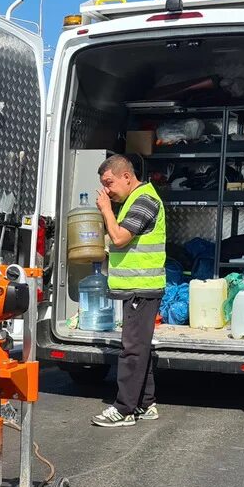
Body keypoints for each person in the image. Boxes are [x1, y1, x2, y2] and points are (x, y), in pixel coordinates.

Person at [92, 153, 166, 427]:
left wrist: (106, 211)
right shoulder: (135, 200)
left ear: (126, 176)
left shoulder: (144, 200)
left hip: (142, 288)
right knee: (139, 347)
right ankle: (146, 405)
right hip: (137, 288)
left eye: (109, 183)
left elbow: (121, 238)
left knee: (132, 350)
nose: (107, 191)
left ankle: (124, 410)